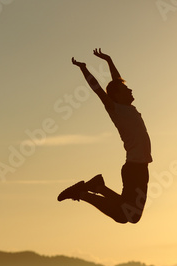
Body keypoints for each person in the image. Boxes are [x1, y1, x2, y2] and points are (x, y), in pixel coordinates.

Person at [57, 48, 152, 224]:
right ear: (117, 95)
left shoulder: (128, 108)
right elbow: (98, 89)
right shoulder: (116, 109)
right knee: (130, 215)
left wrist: (109, 60)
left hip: (140, 167)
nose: (130, 89)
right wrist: (83, 68)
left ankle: (96, 187)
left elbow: (117, 80)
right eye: (126, 88)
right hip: (134, 168)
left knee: (128, 214)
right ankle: (84, 192)